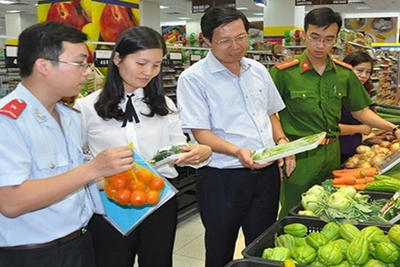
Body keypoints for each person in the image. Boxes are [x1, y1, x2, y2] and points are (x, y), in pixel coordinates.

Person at [73, 26, 212, 267]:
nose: (149, 72)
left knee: (158, 262)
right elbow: (76, 160)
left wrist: (197, 152)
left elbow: (176, 147)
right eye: (141, 63)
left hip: (158, 199)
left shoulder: (163, 104)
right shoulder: (87, 107)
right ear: (117, 59)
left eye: (156, 65)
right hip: (112, 205)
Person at [0, 22, 134, 267]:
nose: (87, 71)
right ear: (43, 66)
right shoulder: (8, 121)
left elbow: (72, 180)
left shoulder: (70, 116)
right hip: (32, 255)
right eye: (79, 63)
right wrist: (93, 169)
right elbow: (10, 202)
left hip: (79, 243)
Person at [176, 6, 296, 267]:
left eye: (241, 37)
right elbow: (200, 133)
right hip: (223, 180)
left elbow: (271, 114)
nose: (236, 46)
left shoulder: (257, 70)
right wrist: (237, 151)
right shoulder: (193, 78)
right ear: (207, 40)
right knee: (220, 249)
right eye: (225, 40)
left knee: (262, 247)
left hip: (266, 178)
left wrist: (282, 142)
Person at [269, 7, 400, 218]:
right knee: (293, 213)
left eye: (328, 39)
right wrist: (281, 144)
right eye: (315, 37)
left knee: (331, 211)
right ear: (304, 34)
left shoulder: (344, 74)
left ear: (337, 39)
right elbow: (269, 112)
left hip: (332, 153)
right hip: (299, 156)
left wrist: (393, 128)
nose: (321, 45)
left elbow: (360, 111)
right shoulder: (284, 73)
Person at [339, 51, 375, 163]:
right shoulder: (339, 93)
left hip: (355, 151)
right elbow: (330, 128)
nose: (364, 75)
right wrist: (360, 129)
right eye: (359, 70)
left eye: (368, 72)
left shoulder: (362, 91)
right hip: (338, 151)